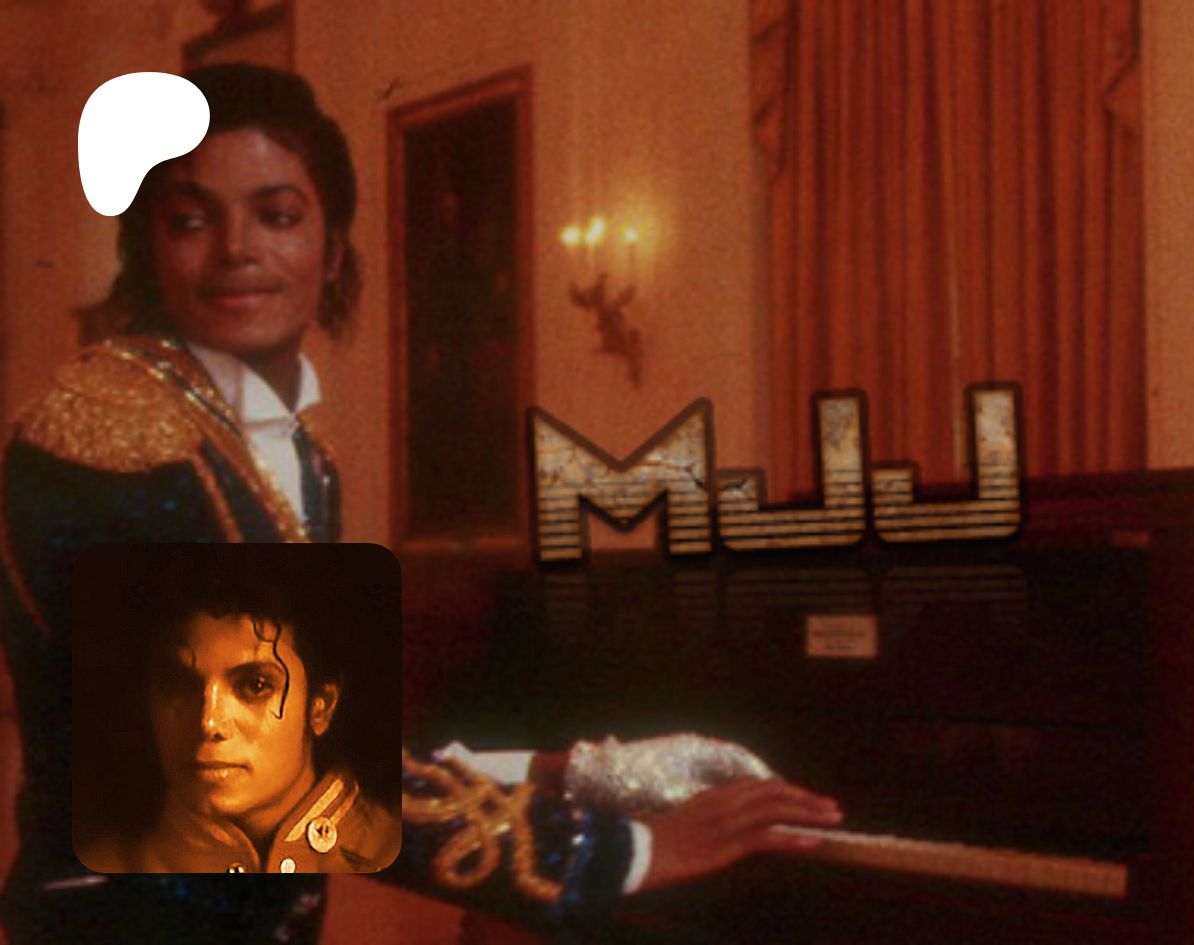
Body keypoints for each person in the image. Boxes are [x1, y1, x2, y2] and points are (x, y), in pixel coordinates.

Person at [0, 63, 839, 943]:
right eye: (191, 220)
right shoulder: (107, 436)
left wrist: (577, 769)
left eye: (277, 216)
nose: (237, 248)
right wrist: (625, 850)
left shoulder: (291, 448)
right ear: (148, 247)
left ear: (332, 249)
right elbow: (270, 771)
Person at [73, 543, 399, 876]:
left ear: (321, 706)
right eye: (179, 683)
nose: (208, 721)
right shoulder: (95, 873)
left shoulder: (405, 860)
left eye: (255, 685)